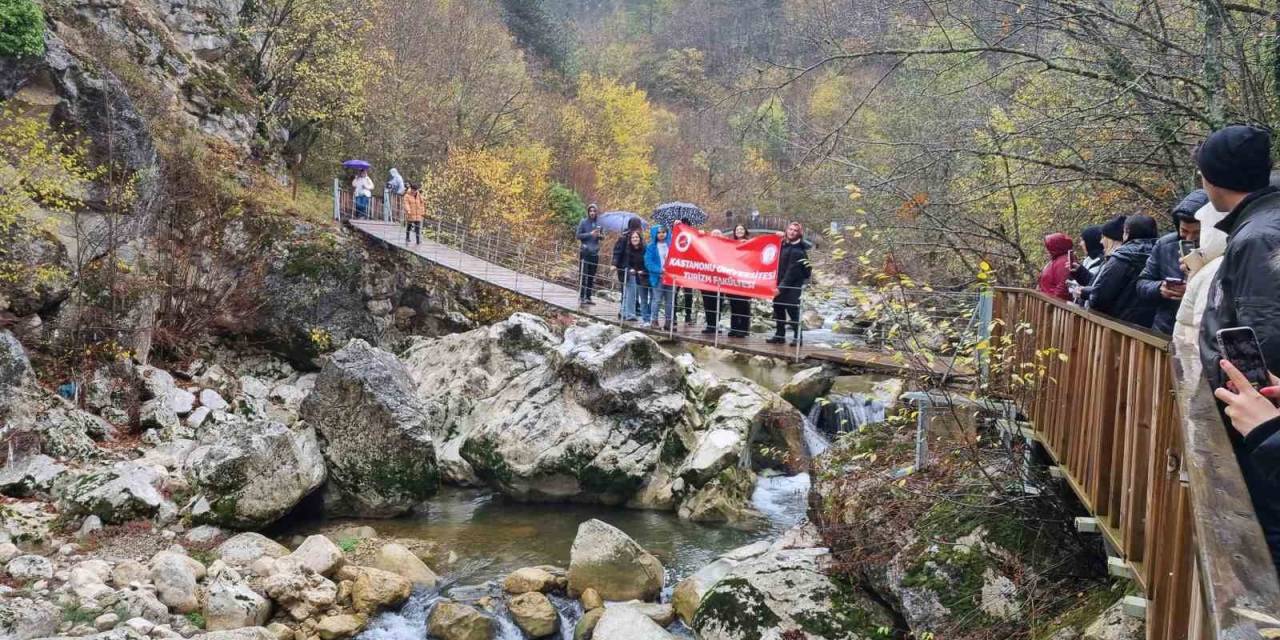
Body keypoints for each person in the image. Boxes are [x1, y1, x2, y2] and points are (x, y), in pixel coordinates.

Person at [1194, 124, 1280, 576]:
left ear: (1210, 180)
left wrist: (1256, 407)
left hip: (1261, 426)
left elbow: (1264, 338)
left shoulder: (1258, 237)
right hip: (1262, 423)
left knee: (1265, 544)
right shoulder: (1261, 225)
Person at [1134, 190, 1208, 334]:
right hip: (1166, 329)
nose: (1189, 238)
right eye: (1184, 231)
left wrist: (1193, 290)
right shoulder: (1164, 245)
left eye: (1197, 233)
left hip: (1201, 332)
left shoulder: (1220, 249)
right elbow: (1142, 283)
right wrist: (1159, 288)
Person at [1084, 215, 1159, 326]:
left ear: (1127, 233)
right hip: (1150, 327)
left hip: (1117, 323)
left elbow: (1101, 296)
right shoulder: (1161, 255)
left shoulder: (1123, 257)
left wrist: (1089, 297)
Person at [767, 222, 811, 345]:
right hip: (779, 283)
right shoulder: (784, 245)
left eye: (795, 230)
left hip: (792, 286)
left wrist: (780, 288)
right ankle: (779, 335)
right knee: (778, 309)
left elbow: (791, 272)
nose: (792, 232)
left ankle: (798, 338)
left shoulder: (799, 251)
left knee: (793, 312)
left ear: (799, 233)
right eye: (790, 229)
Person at [645, 225, 675, 330]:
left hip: (670, 277)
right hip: (658, 277)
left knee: (670, 301)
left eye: (663, 232)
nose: (661, 234)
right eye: (659, 232)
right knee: (656, 299)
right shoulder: (651, 247)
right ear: (655, 234)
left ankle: (668, 323)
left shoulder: (671, 245)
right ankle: (654, 321)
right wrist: (659, 270)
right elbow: (648, 262)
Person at [727, 224, 752, 337]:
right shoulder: (730, 244)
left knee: (743, 304)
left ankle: (744, 329)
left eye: (742, 229)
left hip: (745, 278)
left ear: (745, 231)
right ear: (734, 232)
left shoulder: (751, 243)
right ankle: (734, 328)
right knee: (734, 304)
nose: (739, 231)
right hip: (732, 278)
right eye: (737, 229)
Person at [576, 204, 603, 305]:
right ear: (588, 212)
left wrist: (600, 236)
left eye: (594, 211)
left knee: (592, 276)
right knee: (584, 275)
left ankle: (588, 297)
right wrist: (590, 234)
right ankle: (582, 296)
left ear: (596, 212)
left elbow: (601, 237)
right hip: (585, 252)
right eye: (590, 211)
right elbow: (578, 236)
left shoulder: (599, 224)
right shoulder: (583, 222)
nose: (592, 213)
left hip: (595, 253)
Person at [620, 230, 648, 323]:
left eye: (636, 237)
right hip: (630, 273)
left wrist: (643, 271)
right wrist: (629, 269)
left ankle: (624, 312)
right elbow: (624, 262)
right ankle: (630, 315)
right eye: (633, 237)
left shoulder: (644, 248)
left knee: (640, 295)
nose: (635, 239)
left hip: (641, 274)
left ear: (640, 238)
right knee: (630, 292)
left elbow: (647, 262)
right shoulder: (628, 249)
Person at [1037, 232, 1075, 301]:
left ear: (1056, 246)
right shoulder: (1056, 259)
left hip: (1053, 305)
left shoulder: (1063, 261)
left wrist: (1052, 303)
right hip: (1047, 302)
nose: (1046, 250)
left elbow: (1062, 288)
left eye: (1048, 246)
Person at [700, 230, 725, 335]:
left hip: (720, 281)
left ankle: (715, 325)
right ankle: (710, 325)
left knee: (718, 303)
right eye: (714, 234)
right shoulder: (705, 246)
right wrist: (699, 234)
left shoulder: (726, 247)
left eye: (718, 234)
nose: (716, 236)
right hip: (706, 280)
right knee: (708, 303)